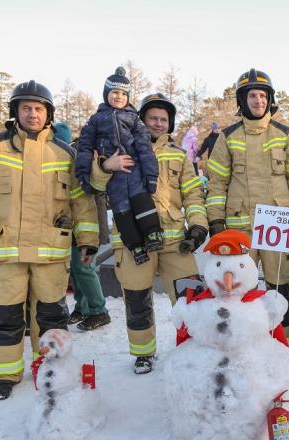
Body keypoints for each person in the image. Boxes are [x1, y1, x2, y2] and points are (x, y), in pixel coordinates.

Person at [0, 80, 99, 400]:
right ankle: (6, 375)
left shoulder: (65, 152)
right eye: (26, 108)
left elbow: (82, 201)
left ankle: (52, 366)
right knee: (4, 317)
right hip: (3, 252)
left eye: (38, 108)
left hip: (51, 254)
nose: (32, 114)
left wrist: (88, 239)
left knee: (52, 316)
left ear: (48, 114)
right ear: (15, 112)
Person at [96, 92, 207, 374]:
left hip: (174, 241)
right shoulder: (120, 151)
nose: (158, 123)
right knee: (137, 299)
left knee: (190, 297)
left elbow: (193, 194)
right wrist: (104, 166)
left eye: (163, 119)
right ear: (141, 120)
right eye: (152, 118)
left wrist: (197, 226)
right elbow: (96, 185)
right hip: (132, 242)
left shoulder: (180, 156)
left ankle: (191, 347)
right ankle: (143, 353)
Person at [206, 68, 289, 338]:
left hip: (280, 226)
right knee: (239, 286)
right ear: (243, 100)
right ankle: (243, 337)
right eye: (252, 95)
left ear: (270, 99)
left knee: (281, 284)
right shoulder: (227, 137)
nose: (258, 101)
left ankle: (287, 338)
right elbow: (216, 183)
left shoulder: (285, 135)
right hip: (241, 228)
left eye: (263, 96)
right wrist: (216, 220)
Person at [75, 66, 162, 265]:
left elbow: (144, 147)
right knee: (121, 210)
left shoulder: (134, 119)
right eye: (114, 92)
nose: (119, 97)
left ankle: (153, 233)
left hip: (134, 169)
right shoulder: (95, 120)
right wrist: (83, 174)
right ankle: (135, 246)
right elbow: (85, 148)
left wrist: (150, 175)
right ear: (106, 94)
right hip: (114, 176)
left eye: (124, 93)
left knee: (141, 200)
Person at [53, 122, 111, 331]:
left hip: (87, 220)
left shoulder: (79, 154)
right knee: (77, 269)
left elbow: (86, 193)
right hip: (73, 221)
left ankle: (99, 310)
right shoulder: (72, 151)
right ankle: (83, 306)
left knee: (84, 268)